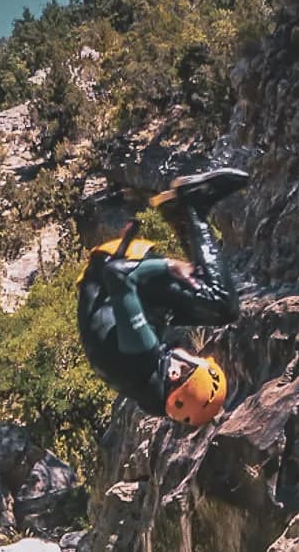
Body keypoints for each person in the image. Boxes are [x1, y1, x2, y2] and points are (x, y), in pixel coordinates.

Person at [75, 169, 248, 429]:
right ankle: (178, 212)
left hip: (114, 271)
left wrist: (168, 265)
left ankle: (192, 205)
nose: (191, 352)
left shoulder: (143, 354)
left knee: (222, 303)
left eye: (192, 358)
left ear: (176, 373)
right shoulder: (149, 389)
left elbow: (116, 276)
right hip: (119, 289)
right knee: (207, 302)